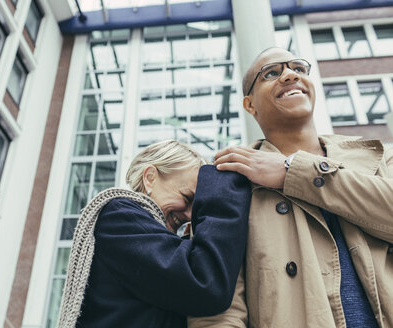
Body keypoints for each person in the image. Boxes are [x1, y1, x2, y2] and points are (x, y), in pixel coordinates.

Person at [188, 47, 393, 328]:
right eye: (271, 73)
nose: (288, 75)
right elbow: (218, 309)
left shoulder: (379, 156)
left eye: (298, 68)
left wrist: (292, 172)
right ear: (250, 105)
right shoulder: (227, 183)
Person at [57, 140, 251, 328]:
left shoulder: (146, 237)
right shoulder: (119, 218)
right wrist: (221, 191)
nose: (190, 215)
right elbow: (205, 283)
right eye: (187, 197)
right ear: (150, 178)